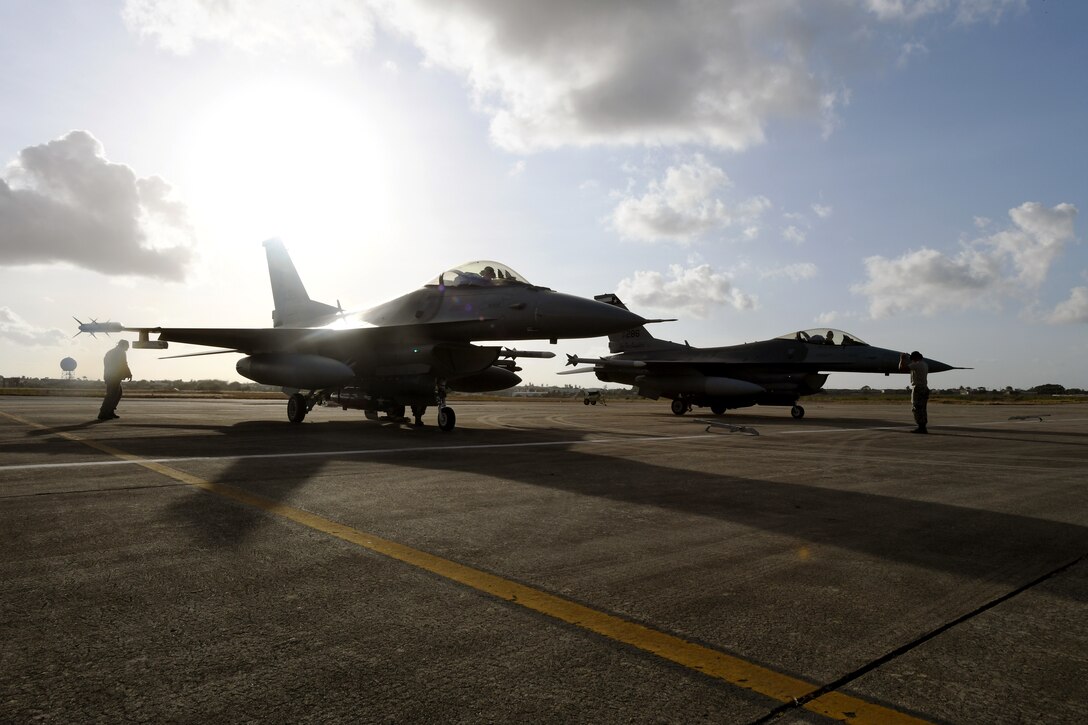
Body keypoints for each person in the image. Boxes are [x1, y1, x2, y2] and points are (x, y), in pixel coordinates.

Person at [98, 340, 132, 420]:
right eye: (127, 346)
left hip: (110, 376)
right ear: (123, 345)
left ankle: (110, 411)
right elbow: (123, 363)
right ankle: (103, 413)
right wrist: (129, 374)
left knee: (118, 393)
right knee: (111, 395)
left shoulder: (111, 352)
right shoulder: (121, 352)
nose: (128, 347)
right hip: (114, 377)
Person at [898, 350, 929, 433]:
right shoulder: (924, 364)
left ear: (915, 358)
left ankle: (921, 427)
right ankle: (923, 427)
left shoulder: (917, 364)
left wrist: (902, 359)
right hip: (924, 388)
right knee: (922, 408)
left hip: (918, 388)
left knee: (917, 408)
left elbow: (901, 368)